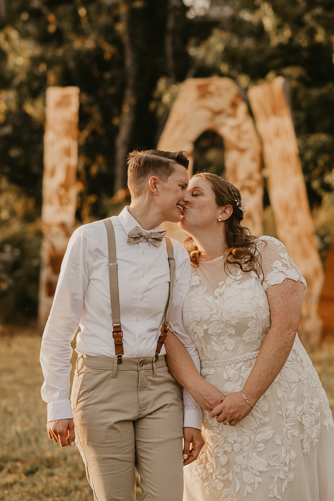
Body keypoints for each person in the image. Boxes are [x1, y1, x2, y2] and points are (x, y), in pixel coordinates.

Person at [164, 173, 334, 501]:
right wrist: (199, 393)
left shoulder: (265, 251)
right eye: (183, 191)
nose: (184, 198)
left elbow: (285, 326)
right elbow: (168, 334)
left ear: (223, 211)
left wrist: (248, 396)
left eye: (195, 193)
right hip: (214, 407)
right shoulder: (177, 266)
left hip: (275, 400)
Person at [40, 150, 205, 501]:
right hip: (101, 384)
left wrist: (192, 414)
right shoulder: (89, 239)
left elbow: (184, 337)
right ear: (154, 185)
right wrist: (57, 402)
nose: (186, 197)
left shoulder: (176, 254)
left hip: (161, 387)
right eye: (181, 186)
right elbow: (60, 326)